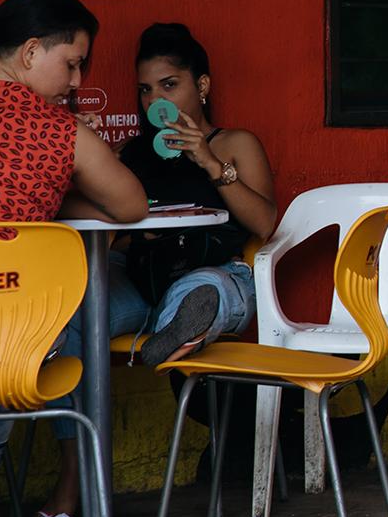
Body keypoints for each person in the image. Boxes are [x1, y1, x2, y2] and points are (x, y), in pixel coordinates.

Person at [0, 0, 147, 517]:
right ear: (28, 53)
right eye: (70, 64)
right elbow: (131, 206)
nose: (74, 83)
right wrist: (57, 192)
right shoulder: (59, 132)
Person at [115, 22, 277, 367]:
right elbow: (113, 234)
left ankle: (178, 327)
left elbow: (263, 224)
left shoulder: (235, 144)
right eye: (145, 90)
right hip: (141, 278)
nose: (155, 101)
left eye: (169, 85)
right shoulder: (131, 152)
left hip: (209, 270)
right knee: (85, 301)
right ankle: (170, 331)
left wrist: (209, 161)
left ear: (202, 85)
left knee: (209, 288)